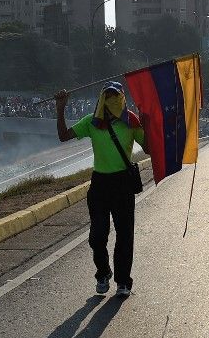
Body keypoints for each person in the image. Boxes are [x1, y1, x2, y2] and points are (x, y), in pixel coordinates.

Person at [55, 83, 147, 297]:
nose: (112, 100)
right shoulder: (92, 122)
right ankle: (103, 272)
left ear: (122, 99)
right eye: (108, 96)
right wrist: (61, 108)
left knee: (124, 235)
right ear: (101, 99)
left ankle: (123, 281)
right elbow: (63, 136)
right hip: (100, 184)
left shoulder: (132, 121)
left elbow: (149, 148)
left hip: (123, 183)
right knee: (97, 235)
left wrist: (147, 124)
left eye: (116, 96)